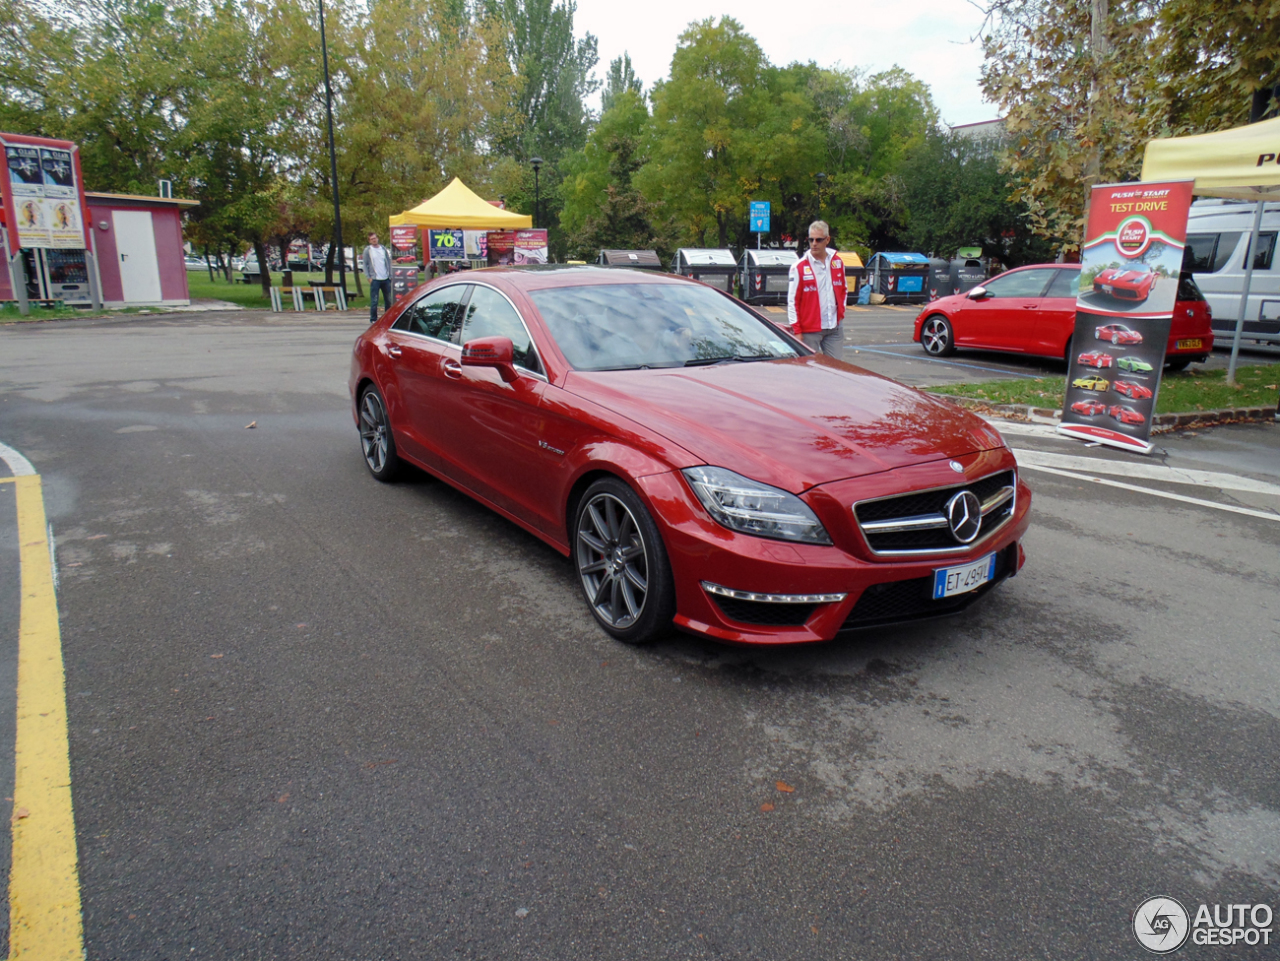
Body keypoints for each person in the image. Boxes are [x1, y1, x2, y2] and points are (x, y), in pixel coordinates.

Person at [786, 220, 847, 360]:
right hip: (810, 330)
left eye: (818, 240)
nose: (814, 243)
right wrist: (797, 330)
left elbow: (843, 289)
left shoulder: (837, 262)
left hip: (834, 328)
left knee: (837, 368)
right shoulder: (799, 267)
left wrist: (841, 313)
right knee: (809, 369)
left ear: (827, 240)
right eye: (811, 239)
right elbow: (792, 301)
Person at [363, 232, 393, 323]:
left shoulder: (383, 249)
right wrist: (368, 277)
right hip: (375, 279)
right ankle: (373, 319)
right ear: (369, 241)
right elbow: (365, 264)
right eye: (372, 239)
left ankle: (387, 318)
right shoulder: (368, 250)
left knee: (388, 300)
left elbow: (388, 261)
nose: (374, 240)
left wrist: (390, 275)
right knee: (374, 301)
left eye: (375, 238)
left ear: (377, 238)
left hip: (385, 278)